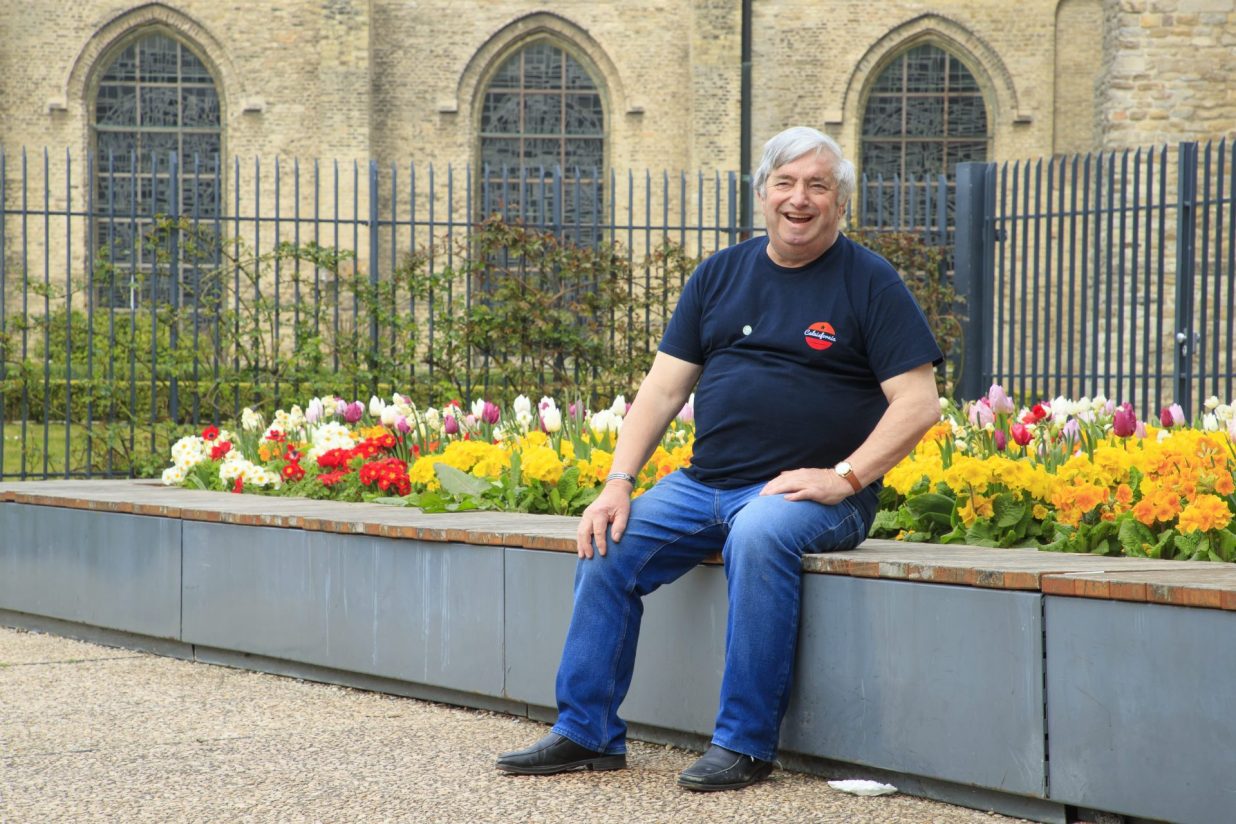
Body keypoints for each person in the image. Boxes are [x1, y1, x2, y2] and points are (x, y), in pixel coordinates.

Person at [496, 126, 943, 791]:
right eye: (786, 184)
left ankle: (744, 742)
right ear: (761, 194)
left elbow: (918, 402)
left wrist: (843, 478)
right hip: (706, 484)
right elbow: (664, 388)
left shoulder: (869, 281)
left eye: (817, 186)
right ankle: (586, 730)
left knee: (758, 535)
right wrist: (618, 482)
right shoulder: (720, 274)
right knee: (607, 540)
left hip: (814, 498)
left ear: (840, 202)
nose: (800, 199)